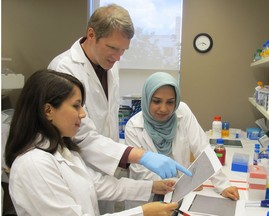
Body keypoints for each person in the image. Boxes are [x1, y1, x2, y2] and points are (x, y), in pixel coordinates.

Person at [48, 4, 191, 213]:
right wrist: (140, 155)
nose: (118, 57)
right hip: (78, 165)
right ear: (91, 34)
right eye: (113, 48)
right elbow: (83, 136)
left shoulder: (110, 64)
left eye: (123, 50)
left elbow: (108, 118)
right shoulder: (64, 69)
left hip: (105, 168)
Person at [4, 69, 179, 216]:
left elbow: (100, 184)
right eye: (76, 106)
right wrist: (142, 212)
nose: (83, 114)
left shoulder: (63, 151)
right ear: (48, 111)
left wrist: (153, 187)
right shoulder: (33, 165)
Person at [124, 72, 240, 208]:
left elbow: (202, 149)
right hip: (147, 199)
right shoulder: (133, 126)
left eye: (170, 102)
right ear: (146, 98)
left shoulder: (182, 112)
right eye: (156, 101)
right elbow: (141, 173)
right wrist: (182, 183)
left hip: (180, 197)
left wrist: (223, 185)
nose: (164, 108)